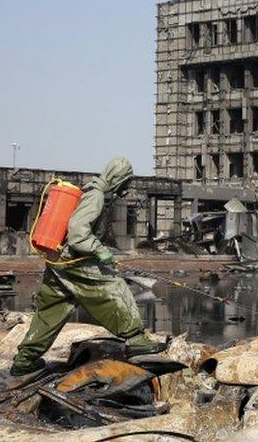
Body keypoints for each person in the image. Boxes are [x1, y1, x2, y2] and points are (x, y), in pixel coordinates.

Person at [11, 157, 161, 375]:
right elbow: (78, 233)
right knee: (114, 287)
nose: (126, 187)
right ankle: (136, 339)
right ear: (117, 179)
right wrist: (99, 250)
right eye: (126, 182)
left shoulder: (92, 192)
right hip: (73, 259)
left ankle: (25, 359)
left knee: (52, 309)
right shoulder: (96, 196)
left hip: (58, 260)